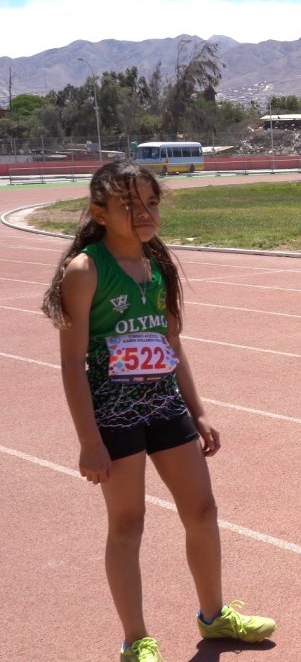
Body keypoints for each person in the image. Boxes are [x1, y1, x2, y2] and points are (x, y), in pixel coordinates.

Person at [42, 161, 275, 662]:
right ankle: (136, 640)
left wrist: (198, 410)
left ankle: (214, 617)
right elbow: (70, 364)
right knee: (128, 523)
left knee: (203, 510)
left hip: (166, 405)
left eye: (151, 202)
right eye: (129, 205)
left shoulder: (159, 263)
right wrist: (89, 441)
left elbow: (171, 343)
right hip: (115, 414)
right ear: (99, 213)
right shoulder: (85, 270)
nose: (144, 212)